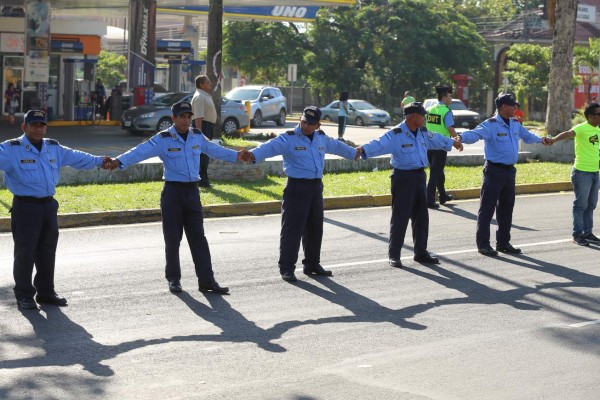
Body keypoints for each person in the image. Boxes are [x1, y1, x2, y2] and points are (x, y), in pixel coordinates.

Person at [106, 101, 247, 294]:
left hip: (192, 192)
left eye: (189, 117)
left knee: (199, 238)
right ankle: (173, 279)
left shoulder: (196, 135)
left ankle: (207, 281)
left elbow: (214, 150)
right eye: (182, 117)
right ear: (173, 118)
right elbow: (141, 151)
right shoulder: (164, 139)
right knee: (173, 239)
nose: (186, 120)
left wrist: (236, 156)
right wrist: (119, 161)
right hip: (173, 193)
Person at [0, 110, 111, 309]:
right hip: (26, 207)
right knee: (25, 253)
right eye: (33, 125)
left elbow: (77, 157)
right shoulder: (11, 149)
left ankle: (45, 292)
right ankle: (24, 295)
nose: (38, 128)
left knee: (47, 251)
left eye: (41, 125)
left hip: (48, 206)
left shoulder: (53, 147)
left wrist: (100, 161)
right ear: (24, 127)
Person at [243, 106, 359, 283]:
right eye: (304, 122)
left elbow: (337, 146)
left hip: (315, 188)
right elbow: (270, 147)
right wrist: (252, 155)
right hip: (296, 188)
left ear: (318, 125)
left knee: (315, 228)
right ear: (300, 120)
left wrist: (355, 153)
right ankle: (287, 268)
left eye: (310, 124)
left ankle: (312, 264)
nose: (305, 126)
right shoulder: (289, 138)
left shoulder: (321, 138)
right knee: (292, 230)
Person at [357, 102, 463, 268]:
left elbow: (437, 139)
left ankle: (421, 253)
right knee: (400, 217)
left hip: (420, 177)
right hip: (403, 179)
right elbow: (379, 143)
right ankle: (394, 255)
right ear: (413, 117)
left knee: (421, 217)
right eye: (423, 115)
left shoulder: (422, 131)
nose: (425, 118)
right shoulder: (396, 134)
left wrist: (453, 143)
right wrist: (361, 151)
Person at [457, 93, 552, 256]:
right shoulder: (491, 125)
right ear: (502, 107)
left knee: (506, 208)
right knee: (487, 208)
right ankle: (483, 244)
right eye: (512, 105)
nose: (516, 108)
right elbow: (475, 134)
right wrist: (460, 137)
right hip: (494, 171)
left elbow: (527, 136)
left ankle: (503, 242)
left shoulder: (515, 123)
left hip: (509, 171)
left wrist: (541, 140)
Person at [549, 102, 600, 246]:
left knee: (591, 205)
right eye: (599, 114)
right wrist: (554, 140)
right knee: (580, 205)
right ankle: (577, 235)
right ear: (590, 116)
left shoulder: (598, 130)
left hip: (595, 173)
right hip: (582, 172)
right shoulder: (582, 128)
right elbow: (568, 134)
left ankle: (587, 232)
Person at [425, 84, 458, 209]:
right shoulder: (446, 111)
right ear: (444, 98)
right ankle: (429, 199)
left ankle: (443, 195)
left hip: (428, 145)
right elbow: (450, 128)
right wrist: (457, 140)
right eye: (450, 96)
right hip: (440, 146)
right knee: (435, 172)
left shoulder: (430, 109)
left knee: (438, 171)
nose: (451, 98)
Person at [191, 75, 218, 188]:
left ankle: (202, 180)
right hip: (203, 127)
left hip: (207, 127)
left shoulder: (204, 95)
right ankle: (202, 181)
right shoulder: (200, 97)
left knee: (205, 154)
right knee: (202, 154)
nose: (210, 84)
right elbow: (198, 118)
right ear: (201, 84)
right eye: (207, 82)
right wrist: (199, 134)